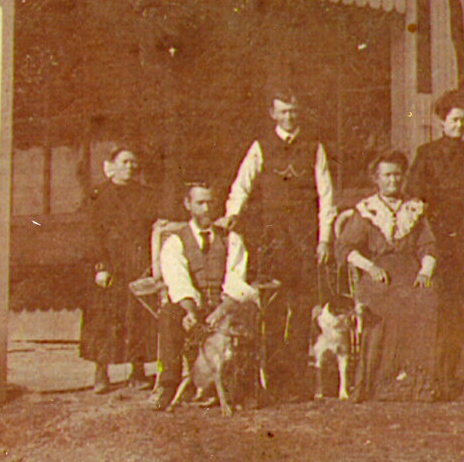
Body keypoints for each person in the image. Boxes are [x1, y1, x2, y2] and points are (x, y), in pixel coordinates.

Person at [222, 90, 335, 399]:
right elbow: (241, 185)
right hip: (272, 240)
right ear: (273, 114)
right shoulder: (261, 147)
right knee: (272, 309)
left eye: (293, 111)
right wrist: (232, 214)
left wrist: (324, 238)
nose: (289, 117)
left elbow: (326, 196)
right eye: (283, 112)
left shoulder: (314, 147)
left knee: (300, 309)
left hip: (303, 239)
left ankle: (297, 382)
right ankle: (272, 380)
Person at [406, 91, 464, 399]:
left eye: (463, 120)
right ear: (442, 122)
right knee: (441, 302)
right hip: (437, 238)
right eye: (454, 120)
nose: (459, 126)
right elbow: (416, 195)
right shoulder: (426, 154)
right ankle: (441, 374)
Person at [338, 149, 442, 400]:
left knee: (427, 300)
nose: (393, 181)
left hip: (410, 271)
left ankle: (418, 381)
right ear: (376, 178)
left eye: (397, 175)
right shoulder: (367, 210)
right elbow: (345, 248)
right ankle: (380, 381)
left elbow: (428, 246)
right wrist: (370, 267)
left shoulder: (414, 208)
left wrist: (425, 270)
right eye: (387, 175)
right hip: (379, 273)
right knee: (384, 303)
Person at [151, 181, 251, 410]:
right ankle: (169, 384)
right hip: (193, 304)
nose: (206, 209)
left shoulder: (231, 238)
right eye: (200, 203)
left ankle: (243, 386)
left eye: (210, 202)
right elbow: (177, 279)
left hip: (223, 303)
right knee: (169, 314)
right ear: (188, 204)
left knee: (248, 310)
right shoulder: (176, 241)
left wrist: (222, 309)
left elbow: (237, 277)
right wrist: (189, 310)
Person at [78, 145, 157, 393]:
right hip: (109, 266)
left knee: (137, 317)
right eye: (124, 162)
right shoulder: (98, 195)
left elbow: (153, 228)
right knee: (104, 318)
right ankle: (101, 373)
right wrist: (100, 266)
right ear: (110, 165)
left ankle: (138, 370)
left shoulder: (145, 194)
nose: (130, 167)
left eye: (133, 162)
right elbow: (91, 235)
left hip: (138, 264)